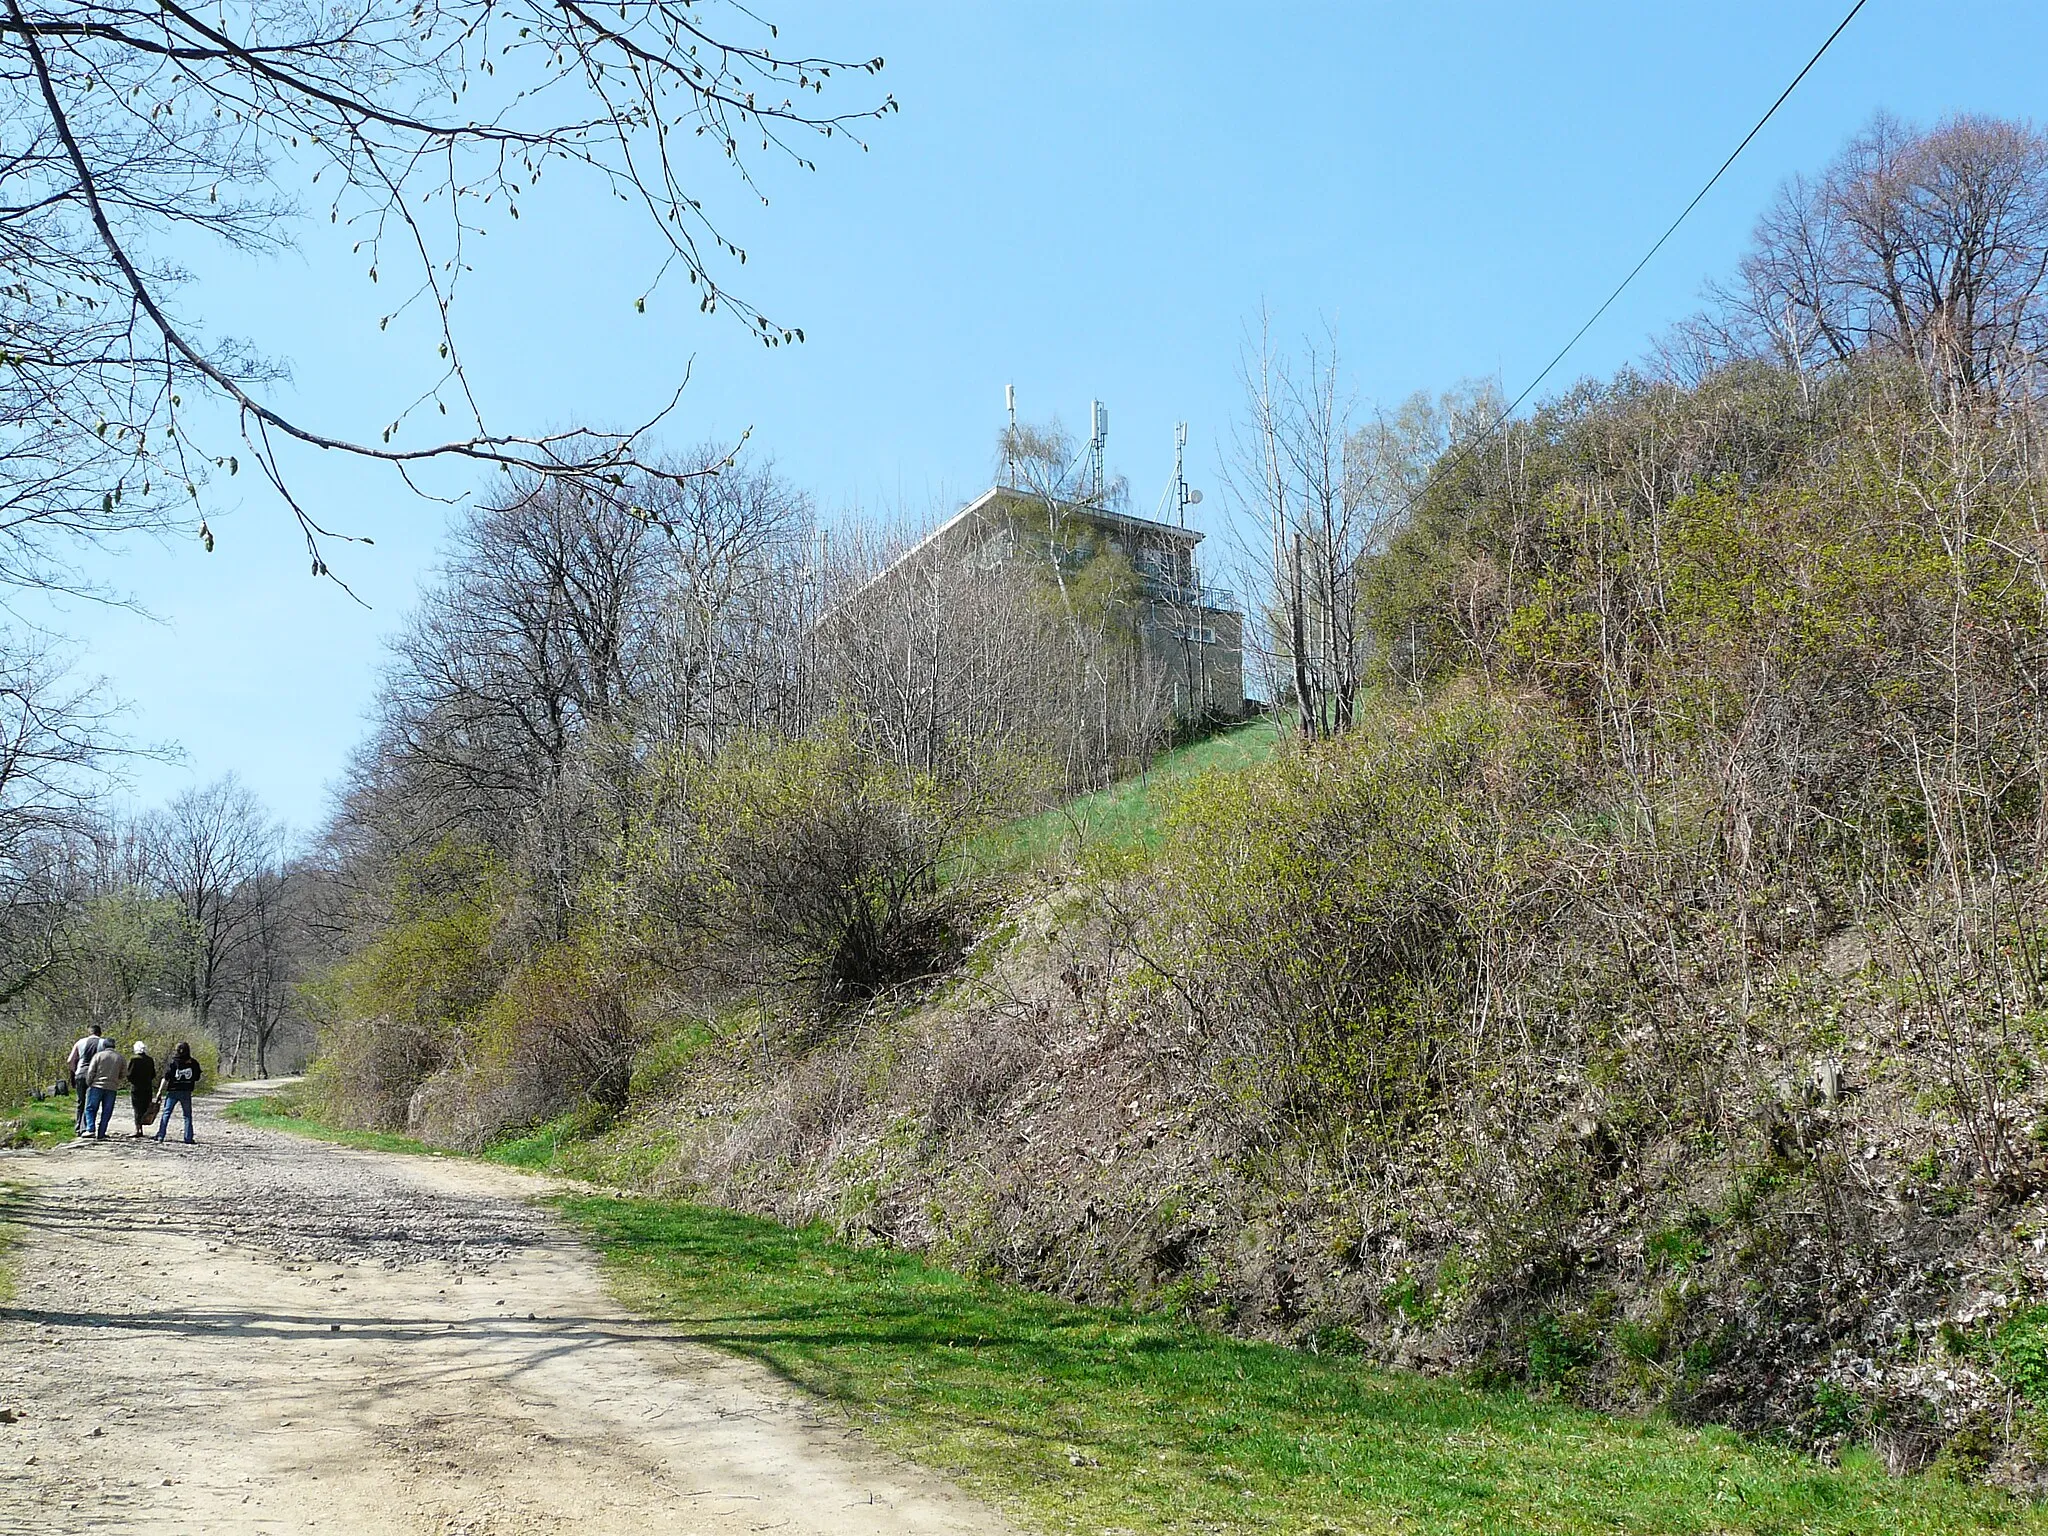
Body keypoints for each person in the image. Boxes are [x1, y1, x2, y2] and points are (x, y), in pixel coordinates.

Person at [81, 1035, 128, 1141]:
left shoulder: (98, 1055)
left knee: (90, 1108)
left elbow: (91, 1071)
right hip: (112, 1087)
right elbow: (124, 1073)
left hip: (97, 1085)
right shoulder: (120, 1058)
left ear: (104, 1045)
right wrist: (116, 1080)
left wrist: (89, 1083)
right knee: (107, 1111)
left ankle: (90, 1129)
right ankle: (101, 1133)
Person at [154, 1043, 203, 1146]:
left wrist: (159, 1091)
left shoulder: (172, 1062)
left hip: (172, 1091)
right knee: (187, 1115)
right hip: (186, 1091)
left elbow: (165, 1077)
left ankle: (160, 1135)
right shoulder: (193, 1063)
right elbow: (197, 1077)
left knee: (166, 1113)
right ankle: (188, 1137)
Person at [65, 1027, 104, 1134]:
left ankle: (78, 1127)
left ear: (89, 1032)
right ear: (100, 1033)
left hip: (81, 1073)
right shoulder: (103, 1043)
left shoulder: (80, 1042)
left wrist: (75, 1071)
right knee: (91, 1102)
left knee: (81, 1101)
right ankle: (87, 1127)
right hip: (96, 1075)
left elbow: (70, 1061)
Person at [128, 1041, 159, 1139]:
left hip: (136, 1088)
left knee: (137, 1109)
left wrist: (133, 1081)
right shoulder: (150, 1060)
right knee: (145, 1107)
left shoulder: (134, 1059)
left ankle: (138, 1129)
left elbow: (129, 1074)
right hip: (147, 1087)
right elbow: (153, 1074)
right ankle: (143, 1127)